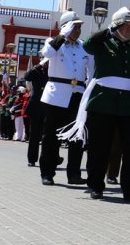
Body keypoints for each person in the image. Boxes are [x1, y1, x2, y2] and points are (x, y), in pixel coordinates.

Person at [80, 7, 130, 201]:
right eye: (125, 26)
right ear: (116, 26)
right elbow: (87, 45)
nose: (129, 29)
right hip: (103, 102)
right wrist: (108, 30)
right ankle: (96, 185)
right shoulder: (103, 43)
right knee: (99, 147)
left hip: (129, 104)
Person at [39, 10, 92, 186]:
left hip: (77, 94)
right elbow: (46, 53)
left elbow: (91, 71)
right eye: (75, 26)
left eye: (79, 27)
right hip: (56, 95)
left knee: (77, 137)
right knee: (51, 136)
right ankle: (47, 173)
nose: (78, 30)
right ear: (66, 27)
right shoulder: (54, 43)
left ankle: (74, 174)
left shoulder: (83, 46)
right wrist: (62, 35)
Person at [24, 58, 49, 166]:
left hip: (49, 106)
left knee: (49, 135)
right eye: (45, 61)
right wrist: (39, 65)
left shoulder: (54, 70)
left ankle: (51, 159)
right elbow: (27, 77)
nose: (47, 63)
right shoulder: (37, 71)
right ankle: (32, 159)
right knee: (34, 135)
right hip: (36, 106)